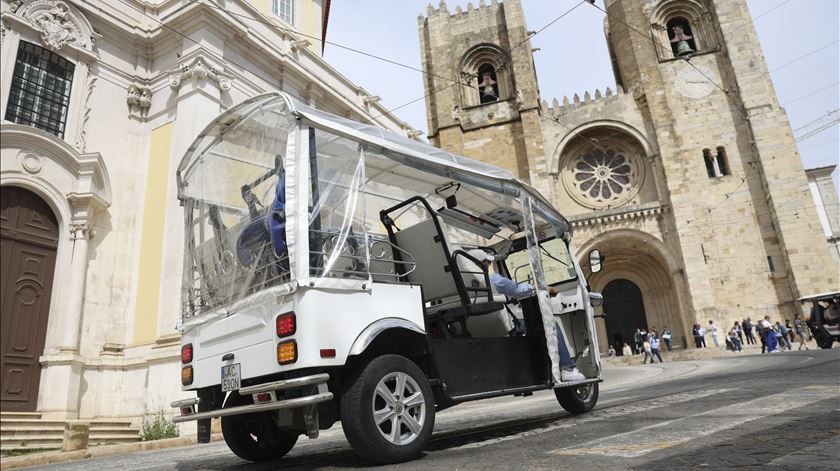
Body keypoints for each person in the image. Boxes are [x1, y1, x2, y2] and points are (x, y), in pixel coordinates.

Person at [467, 249, 585, 381]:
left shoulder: (463, 284)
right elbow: (519, 289)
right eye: (488, 262)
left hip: (478, 331)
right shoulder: (491, 280)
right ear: (482, 264)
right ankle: (567, 368)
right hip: (507, 328)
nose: (489, 265)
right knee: (550, 324)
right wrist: (547, 289)